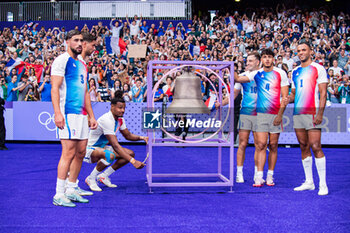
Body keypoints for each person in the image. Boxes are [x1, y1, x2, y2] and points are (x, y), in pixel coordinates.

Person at [51, 30, 98, 207]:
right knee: (68, 153)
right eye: (75, 40)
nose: (79, 43)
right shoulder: (61, 60)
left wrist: (91, 116)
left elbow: (85, 91)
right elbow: (55, 88)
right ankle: (59, 193)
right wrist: (57, 113)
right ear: (67, 42)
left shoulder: (82, 64)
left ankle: (71, 189)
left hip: (81, 115)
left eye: (80, 41)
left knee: (80, 153)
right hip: (68, 113)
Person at [235, 49, 289, 187]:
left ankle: (270, 175)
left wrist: (280, 115)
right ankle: (259, 176)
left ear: (273, 59)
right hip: (260, 115)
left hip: (275, 114)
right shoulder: (256, 74)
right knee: (261, 145)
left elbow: (285, 97)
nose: (267, 60)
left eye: (269, 57)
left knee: (273, 145)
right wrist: (231, 65)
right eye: (265, 57)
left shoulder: (280, 73)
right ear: (262, 60)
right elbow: (238, 79)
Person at [84, 90, 147, 191]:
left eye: (124, 108)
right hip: (90, 149)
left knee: (130, 154)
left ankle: (104, 176)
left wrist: (142, 138)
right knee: (110, 155)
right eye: (120, 108)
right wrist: (133, 162)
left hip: (103, 148)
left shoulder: (120, 119)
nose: (122, 110)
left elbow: (128, 135)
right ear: (112, 107)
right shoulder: (107, 119)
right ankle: (91, 178)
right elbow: (115, 145)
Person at [289, 41, 329, 195]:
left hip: (313, 112)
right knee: (303, 146)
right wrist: (284, 99)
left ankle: (323, 184)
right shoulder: (295, 71)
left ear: (310, 51)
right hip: (298, 113)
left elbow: (323, 94)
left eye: (304, 50)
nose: (301, 53)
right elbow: (294, 94)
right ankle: (309, 182)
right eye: (298, 50)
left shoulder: (318, 69)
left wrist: (320, 114)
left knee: (316, 146)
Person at [233, 52, 260, 183]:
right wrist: (220, 103)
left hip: (260, 113)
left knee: (259, 145)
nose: (247, 63)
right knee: (242, 143)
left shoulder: (263, 75)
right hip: (245, 112)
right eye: (247, 61)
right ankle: (239, 173)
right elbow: (233, 95)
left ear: (257, 62)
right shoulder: (242, 76)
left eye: (250, 61)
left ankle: (257, 173)